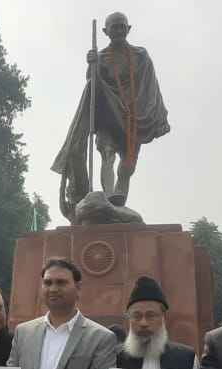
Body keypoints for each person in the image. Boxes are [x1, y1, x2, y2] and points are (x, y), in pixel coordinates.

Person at [51, 11, 170, 217]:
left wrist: (161, 119)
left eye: (122, 26)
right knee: (107, 153)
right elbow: (93, 85)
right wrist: (92, 65)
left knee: (127, 166)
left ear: (128, 29)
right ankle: (108, 198)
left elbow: (153, 89)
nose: (118, 30)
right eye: (114, 27)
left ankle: (118, 204)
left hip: (133, 118)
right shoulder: (101, 57)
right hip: (108, 114)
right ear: (106, 31)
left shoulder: (141, 56)